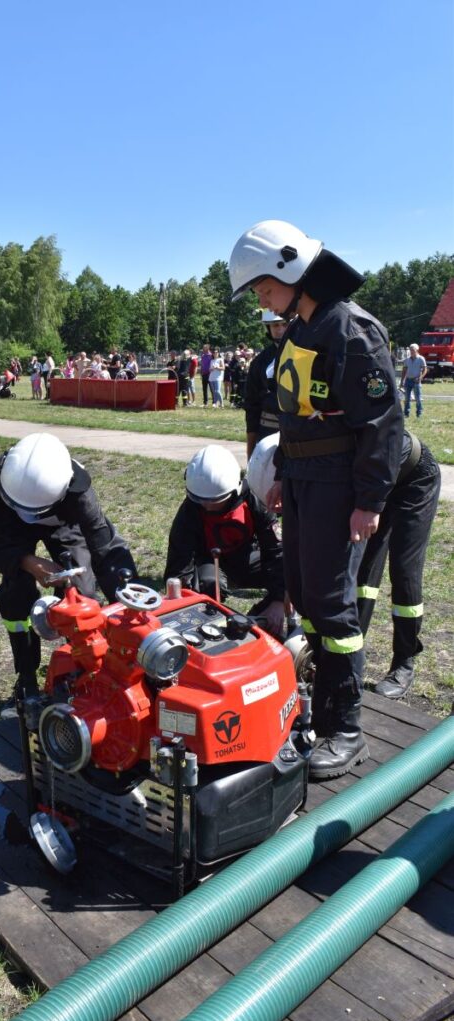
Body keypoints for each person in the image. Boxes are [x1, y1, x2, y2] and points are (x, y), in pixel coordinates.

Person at [229, 219, 403, 780]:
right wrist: (280, 470)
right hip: (303, 481)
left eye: (263, 287)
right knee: (303, 590)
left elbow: (382, 424)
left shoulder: (350, 329)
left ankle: (347, 726)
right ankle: (323, 702)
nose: (261, 299)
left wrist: (370, 500)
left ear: (292, 271)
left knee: (332, 602)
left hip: (337, 485)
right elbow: (295, 416)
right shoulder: (300, 330)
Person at [0, 433, 137, 714]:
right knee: (16, 595)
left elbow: (105, 547)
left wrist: (130, 601)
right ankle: (27, 681)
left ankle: (82, 674)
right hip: (10, 530)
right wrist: (25, 561)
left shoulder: (77, 490)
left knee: (82, 592)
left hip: (62, 524)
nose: (31, 515)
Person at [165, 446, 286, 636]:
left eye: (216, 500)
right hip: (212, 564)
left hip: (248, 558)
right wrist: (184, 606)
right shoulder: (190, 510)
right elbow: (179, 562)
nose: (207, 505)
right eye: (201, 500)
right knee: (208, 582)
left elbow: (276, 551)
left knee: (295, 575)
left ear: (234, 489)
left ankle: (261, 617)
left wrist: (279, 600)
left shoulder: (253, 499)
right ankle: (210, 625)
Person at [357, 430, 441, 698]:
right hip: (375, 484)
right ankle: (352, 654)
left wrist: (372, 506)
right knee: (363, 569)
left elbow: (389, 451)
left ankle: (404, 661)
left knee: (404, 570)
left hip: (414, 477)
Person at [243, 310, 288, 458]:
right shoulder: (260, 363)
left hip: (299, 434)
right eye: (275, 325)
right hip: (268, 434)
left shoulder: (307, 354)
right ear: (268, 327)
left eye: (285, 324)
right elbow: (252, 407)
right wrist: (251, 452)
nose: (280, 330)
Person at [401, 343, 427, 418]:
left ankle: (419, 413)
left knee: (418, 398)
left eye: (413, 350)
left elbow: (425, 369)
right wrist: (402, 381)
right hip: (408, 380)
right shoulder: (407, 360)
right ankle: (406, 413)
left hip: (416, 381)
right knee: (407, 398)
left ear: (417, 350)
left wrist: (420, 378)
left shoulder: (421, 358)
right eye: (410, 349)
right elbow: (404, 370)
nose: (411, 351)